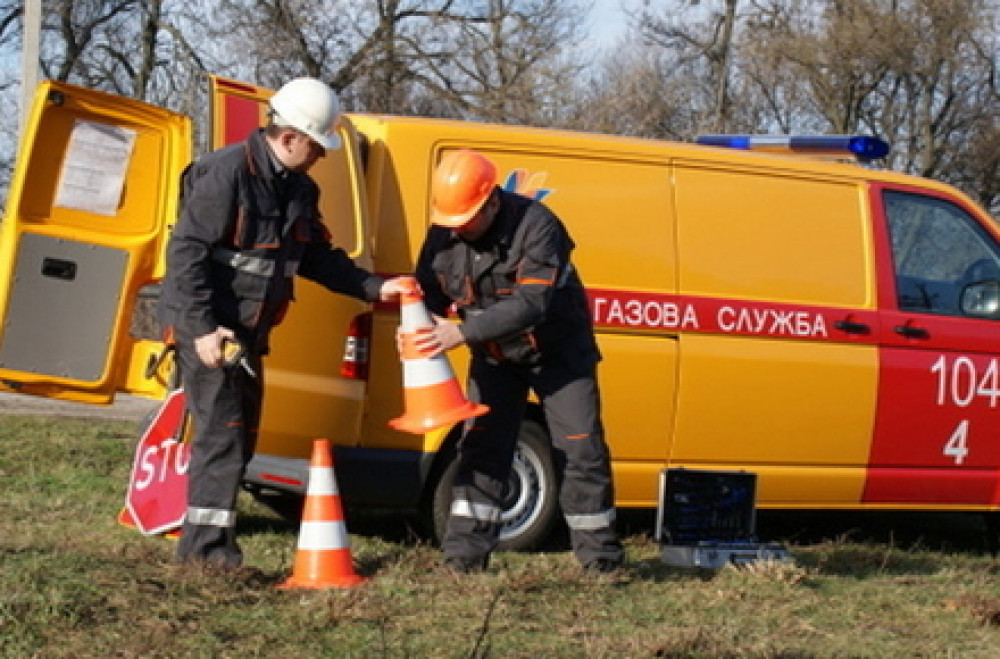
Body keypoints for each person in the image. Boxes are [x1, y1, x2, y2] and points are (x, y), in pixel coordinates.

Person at [159, 77, 407, 570]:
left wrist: (374, 287)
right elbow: (186, 254)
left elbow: (316, 257)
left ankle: (204, 547)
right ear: (289, 136)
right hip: (215, 333)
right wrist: (203, 329)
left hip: (248, 337)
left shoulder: (299, 189)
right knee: (223, 437)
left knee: (241, 436)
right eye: (317, 145)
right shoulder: (226, 173)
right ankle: (207, 559)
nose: (321, 156)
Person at [413, 148, 624, 574]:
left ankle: (600, 562)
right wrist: (416, 317)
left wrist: (461, 332)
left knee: (581, 451)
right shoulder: (444, 234)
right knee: (482, 448)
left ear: (492, 201)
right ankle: (463, 559)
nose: (460, 230)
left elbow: (532, 303)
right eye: (453, 222)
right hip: (494, 359)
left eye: (467, 220)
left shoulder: (539, 226)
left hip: (560, 357)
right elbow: (427, 295)